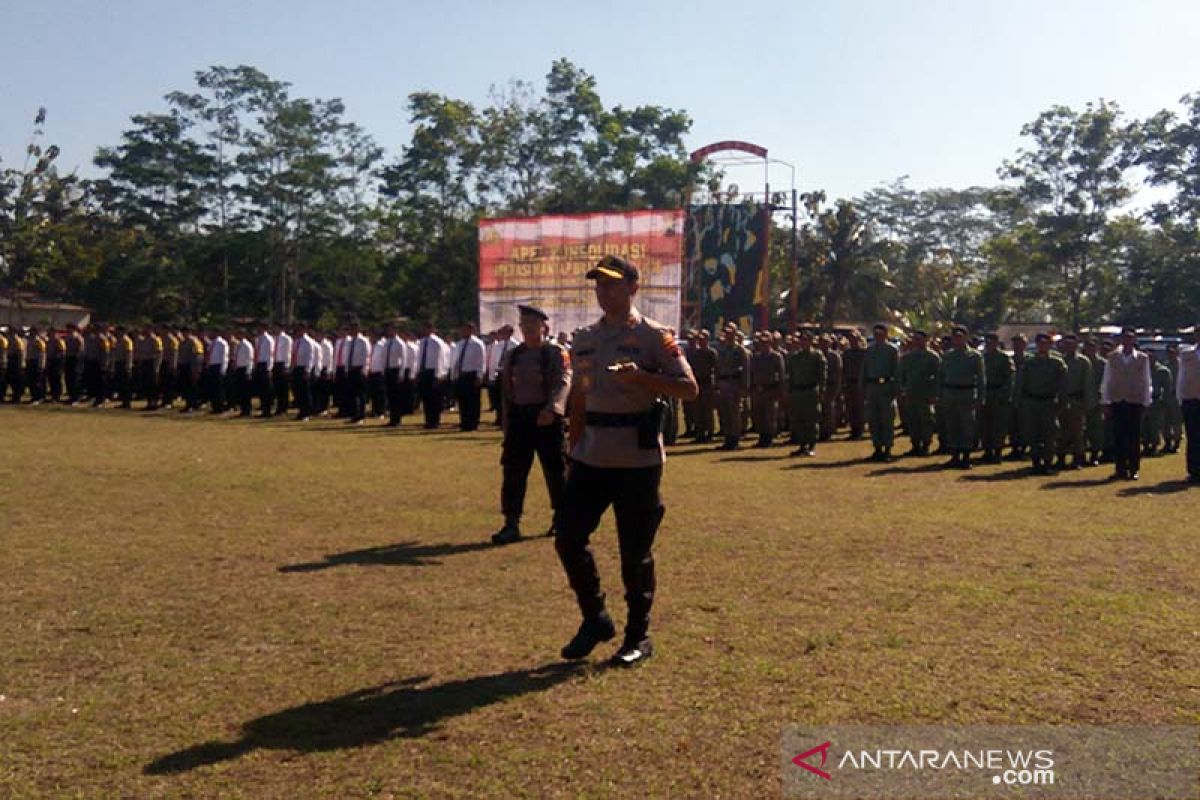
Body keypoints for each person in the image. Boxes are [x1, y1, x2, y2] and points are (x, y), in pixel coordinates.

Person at [555, 255, 698, 667]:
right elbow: (579, 398)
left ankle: (639, 636)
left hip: (637, 460)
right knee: (567, 536)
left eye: (612, 285)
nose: (603, 292)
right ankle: (595, 617)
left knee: (634, 551)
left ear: (633, 288)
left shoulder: (656, 337)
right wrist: (572, 451)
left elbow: (689, 389)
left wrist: (643, 378)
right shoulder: (584, 340)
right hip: (591, 456)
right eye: (598, 285)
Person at [491, 305, 571, 545]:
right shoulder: (514, 355)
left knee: (556, 469)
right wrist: (506, 422)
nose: (527, 327)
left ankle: (563, 518)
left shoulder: (555, 352)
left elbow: (564, 380)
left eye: (532, 323)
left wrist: (553, 408)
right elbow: (507, 392)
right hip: (520, 419)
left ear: (544, 327)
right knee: (513, 470)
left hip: (546, 417)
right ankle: (511, 522)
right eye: (523, 323)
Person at [1101, 327, 1152, 481]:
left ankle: (1134, 469)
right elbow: (1107, 380)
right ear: (1121, 340)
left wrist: (1146, 401)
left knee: (1134, 437)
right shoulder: (1112, 357)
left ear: (1134, 340)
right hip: (1118, 400)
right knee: (1119, 437)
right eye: (1125, 338)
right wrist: (1105, 401)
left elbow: (1146, 380)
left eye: (1131, 338)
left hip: (1134, 401)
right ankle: (1120, 469)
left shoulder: (1142, 358)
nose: (1128, 341)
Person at [1017, 333, 1066, 475]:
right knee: (1032, 433)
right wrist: (1019, 401)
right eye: (1040, 343)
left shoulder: (1057, 363)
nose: (1043, 346)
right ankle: (1035, 462)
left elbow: (1062, 385)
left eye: (1046, 343)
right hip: (1031, 402)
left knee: (1049, 434)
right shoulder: (1029, 363)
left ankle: (1048, 463)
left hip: (1049, 402)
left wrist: (1061, 403)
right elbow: (1021, 383)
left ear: (1050, 345)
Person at [897, 330, 940, 457]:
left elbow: (938, 377)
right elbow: (901, 375)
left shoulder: (933, 357)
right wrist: (902, 390)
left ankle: (926, 445)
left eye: (920, 339)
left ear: (926, 340)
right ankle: (915, 445)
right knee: (912, 419)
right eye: (915, 339)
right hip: (911, 392)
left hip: (925, 393)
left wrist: (934, 394)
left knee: (926, 420)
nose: (917, 341)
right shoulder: (907, 357)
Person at [861, 324, 899, 461]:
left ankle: (888, 449)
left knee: (886, 420)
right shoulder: (869, 350)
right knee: (873, 419)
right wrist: (863, 387)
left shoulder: (892, 350)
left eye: (880, 333)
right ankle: (877, 448)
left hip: (886, 386)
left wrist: (895, 389)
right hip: (872, 386)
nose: (878, 336)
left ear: (886, 334)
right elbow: (864, 370)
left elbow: (896, 371)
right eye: (876, 333)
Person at [785, 330, 825, 456]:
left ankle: (812, 446)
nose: (804, 342)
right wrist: (789, 390)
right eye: (802, 340)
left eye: (806, 340)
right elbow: (790, 375)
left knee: (811, 420)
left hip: (811, 391)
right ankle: (802, 445)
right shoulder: (795, 357)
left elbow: (822, 375)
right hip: (798, 391)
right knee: (799, 419)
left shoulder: (817, 356)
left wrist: (821, 391)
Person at [979, 333, 1014, 463]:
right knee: (985, 424)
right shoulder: (982, 357)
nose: (989, 345)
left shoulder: (1003, 357)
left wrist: (1005, 394)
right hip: (986, 393)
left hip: (998, 394)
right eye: (987, 342)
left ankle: (998, 452)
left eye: (991, 342)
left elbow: (1010, 378)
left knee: (998, 425)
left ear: (997, 343)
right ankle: (987, 451)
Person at [715, 325, 750, 450]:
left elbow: (745, 370)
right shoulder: (721, 349)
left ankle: (735, 439)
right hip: (724, 383)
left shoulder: (740, 350)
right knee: (725, 412)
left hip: (734, 383)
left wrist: (744, 387)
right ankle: (728, 438)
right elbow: (717, 368)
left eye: (730, 333)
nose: (728, 335)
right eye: (726, 333)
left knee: (734, 412)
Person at [749, 332, 784, 447]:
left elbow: (781, 374)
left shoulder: (776, 356)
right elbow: (752, 373)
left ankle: (769, 438)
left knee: (770, 415)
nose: (763, 344)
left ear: (770, 343)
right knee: (759, 414)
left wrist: (780, 390)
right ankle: (762, 437)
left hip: (771, 389)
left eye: (766, 342)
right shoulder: (756, 357)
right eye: (762, 342)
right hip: (759, 390)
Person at [452, 322, 486, 431]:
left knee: (473, 401)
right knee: (462, 400)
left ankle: (473, 423)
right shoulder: (460, 344)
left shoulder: (477, 344)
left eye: (466, 330)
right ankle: (464, 422)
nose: (463, 332)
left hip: (472, 375)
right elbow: (456, 361)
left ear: (472, 330)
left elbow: (481, 361)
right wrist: (455, 374)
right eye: (462, 330)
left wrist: (480, 376)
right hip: (462, 375)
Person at [416, 323, 450, 429]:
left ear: (432, 329)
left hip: (433, 371)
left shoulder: (437, 342)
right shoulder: (421, 342)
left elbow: (440, 359)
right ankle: (428, 420)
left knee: (434, 398)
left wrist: (438, 375)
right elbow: (419, 358)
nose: (425, 330)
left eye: (427, 328)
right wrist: (418, 372)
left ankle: (435, 420)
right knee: (426, 398)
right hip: (424, 371)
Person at [1177, 329, 1200, 483]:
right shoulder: (1186, 353)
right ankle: (1194, 470)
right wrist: (1181, 397)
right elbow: (1181, 375)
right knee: (1192, 435)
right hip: (1190, 398)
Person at [687, 329, 717, 443]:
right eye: (699, 339)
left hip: (707, 383)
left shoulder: (711, 353)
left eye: (703, 339)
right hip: (698, 383)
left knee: (707, 410)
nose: (700, 341)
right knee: (698, 410)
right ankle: (699, 433)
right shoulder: (696, 353)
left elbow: (715, 368)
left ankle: (709, 432)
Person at [344, 321, 371, 424]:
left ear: (357, 329)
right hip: (351, 369)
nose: (351, 331)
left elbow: (366, 356)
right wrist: (347, 369)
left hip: (359, 369)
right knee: (352, 394)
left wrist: (365, 370)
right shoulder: (350, 342)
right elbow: (347, 357)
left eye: (352, 329)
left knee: (361, 394)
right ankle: (354, 415)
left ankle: (361, 416)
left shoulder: (363, 341)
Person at [253, 323, 275, 417]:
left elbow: (271, 354)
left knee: (266, 389)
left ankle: (268, 410)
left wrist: (269, 368)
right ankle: (263, 409)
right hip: (259, 364)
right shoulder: (259, 339)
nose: (258, 329)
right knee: (261, 389)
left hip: (265, 364)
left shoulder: (268, 339)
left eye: (260, 327)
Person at [272, 323, 293, 417]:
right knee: (277, 387)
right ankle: (278, 407)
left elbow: (288, 353)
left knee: (283, 388)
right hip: (275, 363)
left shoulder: (287, 339)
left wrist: (287, 366)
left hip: (283, 363)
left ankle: (284, 407)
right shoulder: (274, 338)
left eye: (276, 328)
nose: (274, 329)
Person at [233, 329, 255, 417]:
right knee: (240, 391)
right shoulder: (239, 345)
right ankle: (243, 409)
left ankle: (247, 410)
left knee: (246, 392)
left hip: (245, 369)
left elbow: (250, 359)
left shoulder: (247, 345)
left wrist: (248, 371)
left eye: (240, 334)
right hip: (239, 369)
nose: (238, 336)